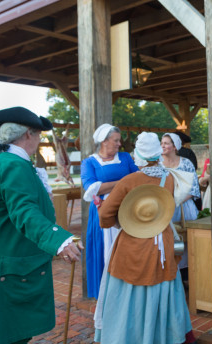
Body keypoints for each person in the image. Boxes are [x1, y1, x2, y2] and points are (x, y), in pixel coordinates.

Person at [0, 107, 83, 344]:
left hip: (4, 259)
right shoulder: (13, 165)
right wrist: (58, 240)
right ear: (28, 134)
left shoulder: (3, 160)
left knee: (4, 333)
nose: (40, 140)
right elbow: (24, 211)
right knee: (11, 336)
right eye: (39, 135)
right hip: (11, 264)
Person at [93, 132, 195, 343]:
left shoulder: (129, 181)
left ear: (137, 155)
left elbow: (104, 218)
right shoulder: (169, 179)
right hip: (163, 244)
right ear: (157, 153)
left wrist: (121, 218)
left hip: (133, 246)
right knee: (164, 286)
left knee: (131, 293)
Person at [81, 123, 138, 298]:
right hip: (103, 211)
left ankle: (127, 291)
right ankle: (106, 293)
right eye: (116, 140)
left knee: (128, 248)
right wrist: (123, 182)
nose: (119, 144)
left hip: (127, 209)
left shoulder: (125, 157)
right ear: (104, 141)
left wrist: (109, 186)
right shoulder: (89, 162)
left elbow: (137, 179)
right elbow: (91, 188)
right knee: (104, 250)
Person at [160, 132, 201, 274]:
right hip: (164, 208)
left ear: (175, 146)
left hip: (184, 207)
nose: (162, 145)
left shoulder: (186, 163)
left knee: (187, 244)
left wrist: (176, 200)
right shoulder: (158, 164)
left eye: (166, 143)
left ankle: (187, 278)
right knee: (167, 243)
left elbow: (194, 187)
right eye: (162, 143)